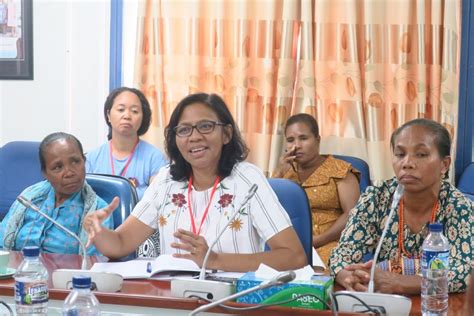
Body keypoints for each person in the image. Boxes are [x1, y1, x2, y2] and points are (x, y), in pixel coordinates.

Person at [83, 93, 307, 272]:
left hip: (232, 302)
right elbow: (121, 243)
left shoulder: (248, 180)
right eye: (184, 130)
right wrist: (100, 232)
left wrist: (215, 260)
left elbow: (293, 256)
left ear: (226, 134)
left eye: (206, 126)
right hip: (174, 301)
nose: (195, 136)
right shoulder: (166, 180)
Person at [330, 118, 473, 294]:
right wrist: (349, 276)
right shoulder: (376, 198)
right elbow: (342, 254)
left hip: (438, 306)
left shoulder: (459, 207)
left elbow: (467, 272)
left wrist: (402, 283)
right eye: (399, 154)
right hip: (384, 305)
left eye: (421, 154)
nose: (407, 163)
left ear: (444, 164)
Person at [0, 132, 114, 255]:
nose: (69, 173)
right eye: (57, 167)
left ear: (84, 161)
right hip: (18, 271)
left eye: (75, 162)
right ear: (45, 173)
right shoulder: (28, 199)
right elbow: (2, 244)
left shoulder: (98, 211)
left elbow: (93, 263)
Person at [272, 113, 360, 264]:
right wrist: (281, 171)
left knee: (320, 278)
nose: (296, 145)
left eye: (303, 138)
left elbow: (353, 214)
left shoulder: (339, 170)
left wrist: (318, 240)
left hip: (332, 244)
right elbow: (265, 210)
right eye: (290, 140)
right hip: (290, 247)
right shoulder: (282, 175)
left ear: (317, 140)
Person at [86, 87, 168, 200]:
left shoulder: (154, 158)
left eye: (134, 111)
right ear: (108, 115)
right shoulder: (92, 158)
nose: (127, 116)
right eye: (121, 110)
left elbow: (159, 200)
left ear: (143, 117)